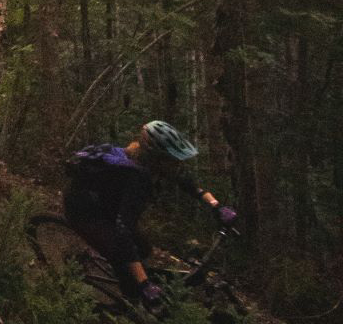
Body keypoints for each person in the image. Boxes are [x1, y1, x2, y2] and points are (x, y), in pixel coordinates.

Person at [63, 120, 237, 309]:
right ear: (157, 159)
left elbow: (186, 182)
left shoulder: (149, 162)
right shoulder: (136, 180)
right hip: (84, 211)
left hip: (106, 205)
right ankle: (116, 306)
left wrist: (216, 206)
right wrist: (144, 284)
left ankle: (126, 276)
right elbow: (123, 231)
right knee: (125, 266)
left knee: (144, 249)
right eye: (173, 161)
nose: (177, 165)